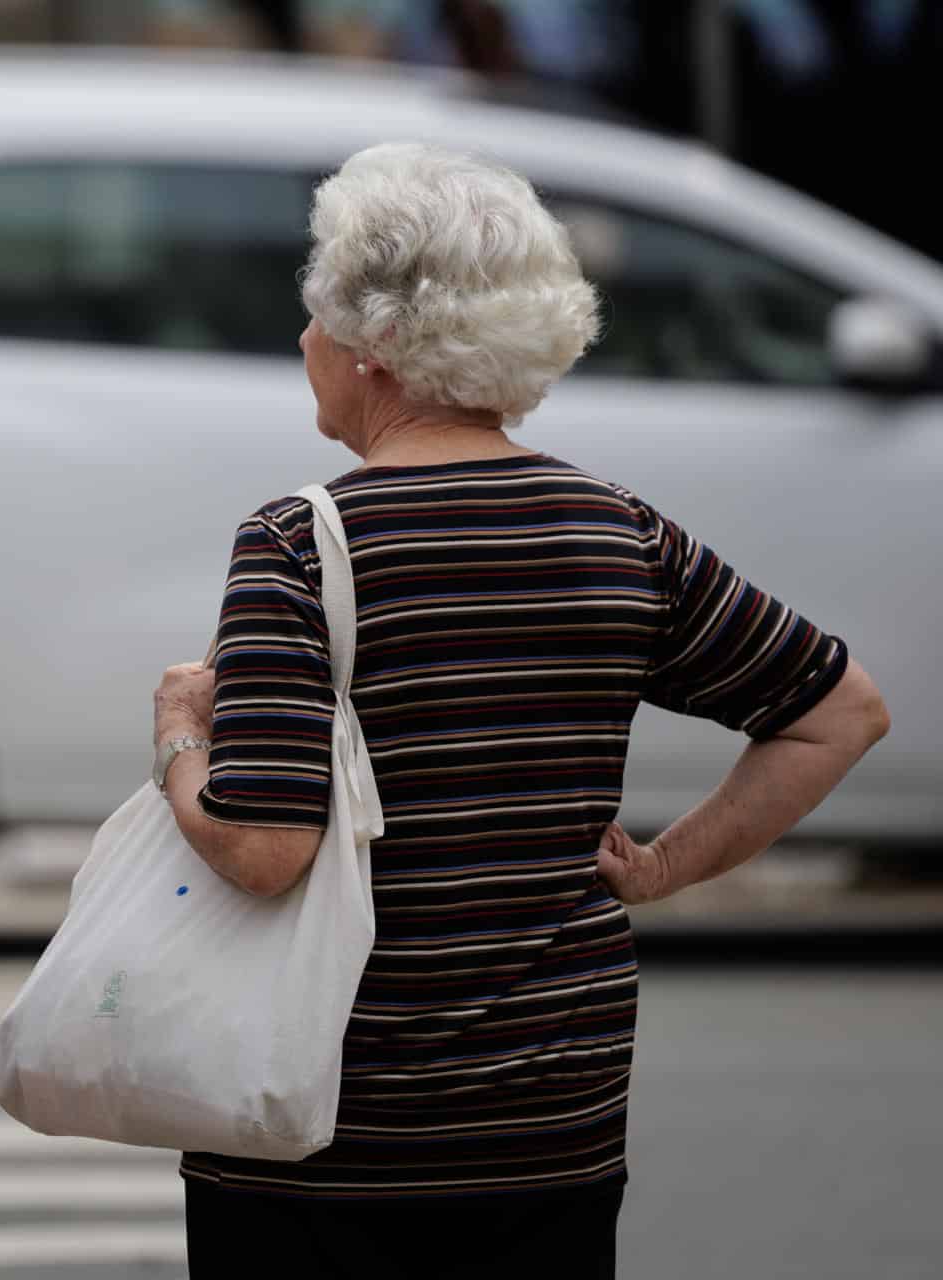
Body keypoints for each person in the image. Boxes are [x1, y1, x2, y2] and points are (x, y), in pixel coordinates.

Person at [150, 142, 890, 1278]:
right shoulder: (620, 532)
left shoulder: (296, 543)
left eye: (315, 315)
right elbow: (839, 712)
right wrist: (663, 867)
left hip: (320, 1124)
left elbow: (261, 846)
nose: (305, 343)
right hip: (552, 1121)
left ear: (372, 348)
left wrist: (180, 739)